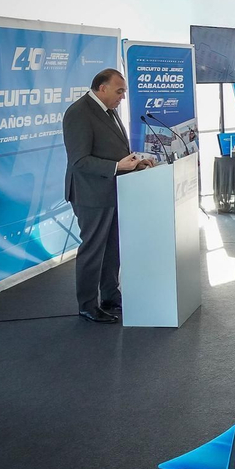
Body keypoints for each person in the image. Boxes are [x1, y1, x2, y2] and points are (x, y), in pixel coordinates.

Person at [63, 68, 153, 323]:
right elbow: (79, 161)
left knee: (113, 248)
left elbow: (113, 149)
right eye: (119, 91)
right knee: (93, 250)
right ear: (102, 88)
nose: (123, 96)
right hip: (90, 194)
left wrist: (135, 163)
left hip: (114, 191)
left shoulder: (109, 111)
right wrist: (117, 167)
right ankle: (88, 305)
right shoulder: (78, 113)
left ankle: (111, 296)